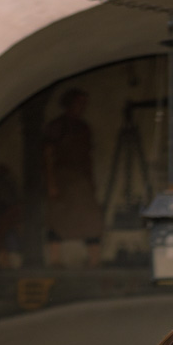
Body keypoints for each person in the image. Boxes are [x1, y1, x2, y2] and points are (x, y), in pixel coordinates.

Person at [42, 88, 104, 268]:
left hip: (81, 180)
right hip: (62, 178)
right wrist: (51, 182)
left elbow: (87, 155)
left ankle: (94, 260)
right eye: (79, 102)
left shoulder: (83, 127)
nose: (82, 107)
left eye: (84, 103)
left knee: (91, 218)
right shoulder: (57, 126)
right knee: (58, 218)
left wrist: (90, 180)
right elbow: (48, 154)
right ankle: (55, 260)